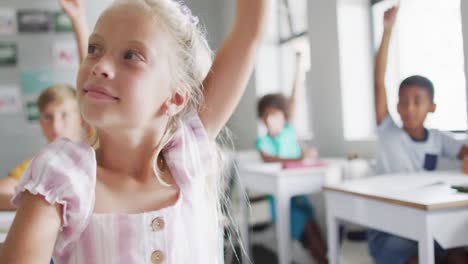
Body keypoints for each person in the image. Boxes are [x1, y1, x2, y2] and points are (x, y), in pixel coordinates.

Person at [0, 0, 269, 263]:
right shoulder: (62, 178)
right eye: (94, 49)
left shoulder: (186, 157)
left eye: (131, 56)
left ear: (175, 98)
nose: (99, 66)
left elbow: (249, 31)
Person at [369, 5, 468, 264]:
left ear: (431, 107)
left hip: (426, 224)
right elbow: (378, 83)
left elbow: (463, 150)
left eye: (417, 101)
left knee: (459, 254)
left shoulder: (438, 138)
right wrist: (387, 31)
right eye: (403, 101)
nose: (409, 108)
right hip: (388, 230)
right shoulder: (388, 131)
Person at [0, 0, 88, 211]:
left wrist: (78, 20)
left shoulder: (95, 149)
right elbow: (2, 192)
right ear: (40, 122)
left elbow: (88, 80)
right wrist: (49, 201)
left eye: (65, 115)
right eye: (48, 117)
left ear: (82, 117)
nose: (56, 125)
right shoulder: (40, 163)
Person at [256, 52, 327, 264]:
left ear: (284, 116)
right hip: (283, 202)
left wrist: (298, 65)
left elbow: (295, 96)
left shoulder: (288, 132)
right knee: (310, 232)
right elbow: (269, 159)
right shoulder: (264, 142)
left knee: (316, 231)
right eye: (266, 115)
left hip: (301, 197)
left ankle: (322, 257)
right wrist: (299, 157)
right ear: (261, 118)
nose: (271, 120)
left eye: (275, 115)